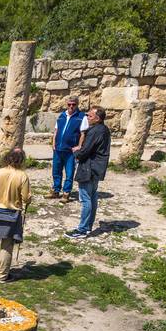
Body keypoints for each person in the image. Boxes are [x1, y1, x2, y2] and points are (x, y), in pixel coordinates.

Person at [0, 148, 31, 283]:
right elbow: (26, 198)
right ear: (21, 160)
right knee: (7, 246)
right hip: (12, 214)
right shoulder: (22, 176)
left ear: (8, 158)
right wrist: (27, 199)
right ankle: (3, 276)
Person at [66, 107, 111, 239]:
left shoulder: (95, 131)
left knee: (86, 199)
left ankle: (83, 229)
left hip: (89, 168)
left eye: (90, 116)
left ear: (97, 118)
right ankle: (88, 226)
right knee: (92, 197)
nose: (87, 118)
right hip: (96, 168)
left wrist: (76, 152)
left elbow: (85, 151)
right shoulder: (103, 129)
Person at [51, 95, 84, 201]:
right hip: (58, 149)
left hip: (70, 151)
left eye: (73, 104)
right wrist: (53, 143)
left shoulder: (81, 117)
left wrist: (79, 146)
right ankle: (56, 190)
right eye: (69, 104)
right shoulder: (61, 115)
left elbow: (83, 133)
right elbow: (56, 131)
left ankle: (66, 192)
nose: (71, 107)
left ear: (77, 105)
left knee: (69, 172)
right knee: (56, 171)